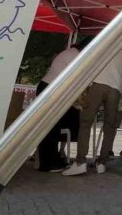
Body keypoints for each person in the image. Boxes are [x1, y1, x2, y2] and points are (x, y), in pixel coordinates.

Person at [62, 35, 122, 176]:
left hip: (97, 84)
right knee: (110, 127)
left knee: (86, 123)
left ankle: (80, 162)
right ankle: (102, 162)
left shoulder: (103, 45)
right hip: (115, 89)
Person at [36, 39, 85, 173]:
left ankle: (51, 160)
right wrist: (81, 103)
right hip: (51, 89)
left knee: (50, 127)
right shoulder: (76, 56)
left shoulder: (69, 53)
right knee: (50, 128)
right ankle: (48, 164)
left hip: (48, 87)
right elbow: (75, 82)